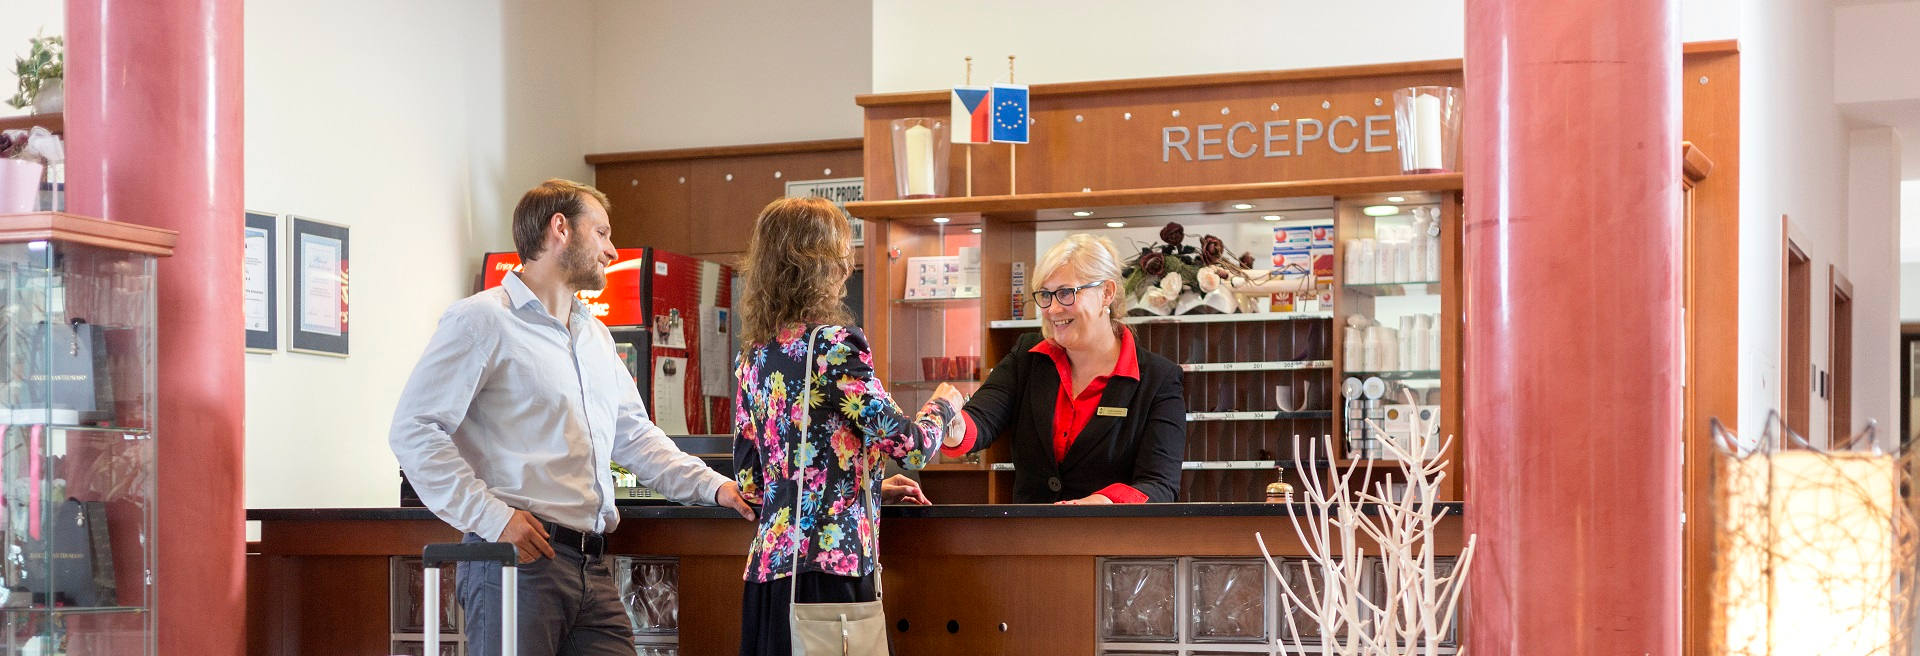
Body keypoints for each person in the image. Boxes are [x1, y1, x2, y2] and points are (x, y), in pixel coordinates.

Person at [389, 178, 755, 656]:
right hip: (514, 564)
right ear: (560, 228)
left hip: (590, 566)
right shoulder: (480, 320)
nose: (610, 250)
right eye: (601, 233)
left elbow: (635, 437)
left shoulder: (595, 336)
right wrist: (493, 519)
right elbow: (414, 430)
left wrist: (716, 487)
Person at [730, 197, 963, 656]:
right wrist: (944, 406)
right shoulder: (834, 346)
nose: (847, 266)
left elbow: (753, 482)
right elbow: (911, 447)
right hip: (831, 572)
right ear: (824, 265)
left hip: (770, 575)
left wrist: (861, 478)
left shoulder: (754, 356)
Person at [941, 234, 1187, 504]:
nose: (1053, 308)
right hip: (1032, 540)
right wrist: (951, 424)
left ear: (1106, 293)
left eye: (1066, 293)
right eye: (1045, 295)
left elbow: (1160, 484)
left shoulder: (1158, 379)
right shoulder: (1028, 357)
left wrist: (1104, 502)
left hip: (1113, 542)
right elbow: (981, 420)